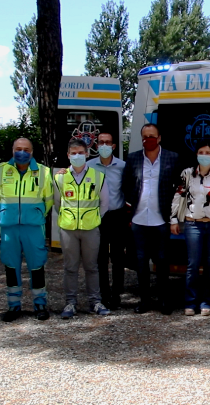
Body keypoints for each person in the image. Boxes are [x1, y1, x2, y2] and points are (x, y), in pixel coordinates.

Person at [0, 138, 54, 322]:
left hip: (33, 227)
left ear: (32, 152)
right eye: (18, 149)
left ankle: (40, 304)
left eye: (26, 149)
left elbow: (48, 200)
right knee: (11, 265)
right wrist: (6, 213)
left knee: (37, 265)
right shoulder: (0, 170)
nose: (22, 152)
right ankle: (13, 305)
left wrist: (34, 214)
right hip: (9, 227)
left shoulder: (43, 171)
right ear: (12, 150)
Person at [122, 124, 179, 315]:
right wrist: (131, 208)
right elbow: (126, 185)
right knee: (141, 261)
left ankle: (163, 300)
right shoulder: (133, 158)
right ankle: (144, 300)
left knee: (162, 260)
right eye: (145, 137)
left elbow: (178, 187)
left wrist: (173, 215)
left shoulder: (172, 157)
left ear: (159, 137)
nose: (149, 140)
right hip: (139, 219)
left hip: (161, 218)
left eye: (152, 136)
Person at [53, 139, 111, 318]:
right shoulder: (60, 177)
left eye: (80, 153)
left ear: (86, 154)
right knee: (70, 267)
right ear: (68, 155)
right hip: (68, 228)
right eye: (73, 153)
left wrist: (93, 218)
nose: (77, 156)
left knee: (92, 267)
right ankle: (70, 303)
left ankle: (95, 302)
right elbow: (57, 203)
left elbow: (104, 203)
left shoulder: (98, 176)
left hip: (90, 228)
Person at [170, 141, 210, 316]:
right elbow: (178, 197)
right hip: (192, 224)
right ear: (196, 155)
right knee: (193, 264)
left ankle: (206, 302)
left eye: (208, 152)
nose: (204, 155)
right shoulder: (187, 174)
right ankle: (190, 302)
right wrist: (173, 220)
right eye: (201, 152)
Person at [87, 132, 127, 310]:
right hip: (97, 216)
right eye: (101, 142)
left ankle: (116, 295)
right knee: (100, 258)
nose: (104, 145)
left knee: (118, 258)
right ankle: (103, 294)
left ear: (113, 146)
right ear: (97, 146)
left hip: (117, 215)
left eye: (108, 142)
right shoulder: (89, 166)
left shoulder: (122, 166)